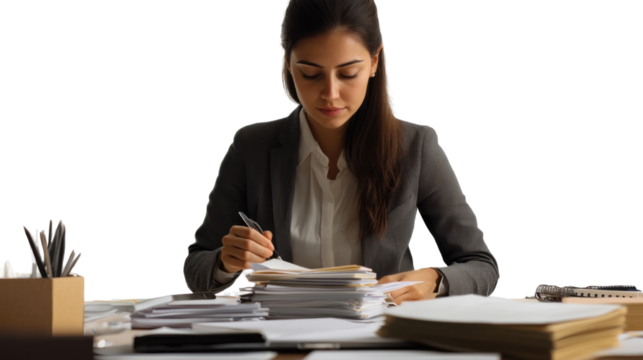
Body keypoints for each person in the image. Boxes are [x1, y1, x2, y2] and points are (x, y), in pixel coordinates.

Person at [183, 0, 499, 305]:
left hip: (381, 342)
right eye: (310, 73)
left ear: (374, 62)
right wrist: (226, 261)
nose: (330, 94)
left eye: (348, 73)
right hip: (285, 340)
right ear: (287, 61)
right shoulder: (251, 146)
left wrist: (435, 280)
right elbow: (197, 267)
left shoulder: (416, 146)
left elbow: (481, 265)